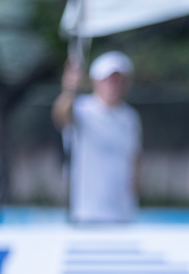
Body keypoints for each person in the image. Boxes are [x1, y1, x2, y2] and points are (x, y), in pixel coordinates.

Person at [52, 51, 142, 223]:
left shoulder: (130, 117)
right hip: (85, 213)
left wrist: (136, 184)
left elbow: (135, 155)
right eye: (108, 80)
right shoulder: (81, 109)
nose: (113, 85)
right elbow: (61, 115)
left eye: (118, 80)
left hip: (123, 213)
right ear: (96, 82)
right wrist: (69, 90)